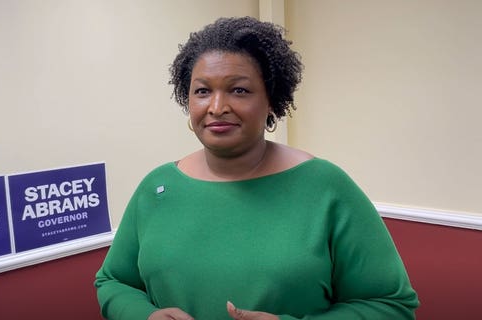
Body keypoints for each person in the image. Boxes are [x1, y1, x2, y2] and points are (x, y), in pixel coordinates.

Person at [94, 16, 419, 320]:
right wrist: (144, 315)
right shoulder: (158, 187)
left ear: (271, 101)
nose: (217, 107)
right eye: (203, 91)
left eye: (239, 90)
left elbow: (391, 304)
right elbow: (113, 281)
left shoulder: (326, 187)